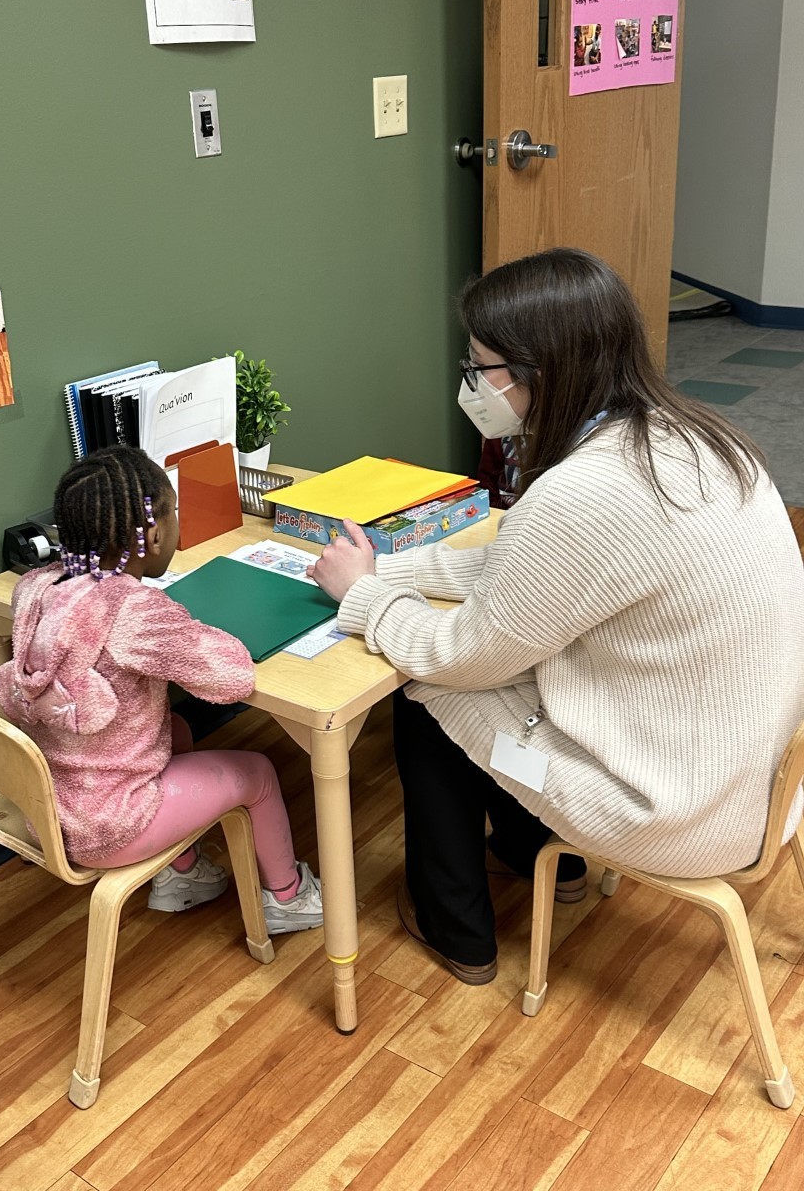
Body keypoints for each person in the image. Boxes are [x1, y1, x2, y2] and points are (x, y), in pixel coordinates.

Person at [307, 247, 804, 985]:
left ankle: (459, 931)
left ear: (541, 372)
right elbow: (530, 571)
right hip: (755, 781)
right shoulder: (694, 436)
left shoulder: (583, 494)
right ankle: (539, 859)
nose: (471, 385)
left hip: (671, 812)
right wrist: (388, 569)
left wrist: (366, 601)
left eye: (481, 369)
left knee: (424, 699)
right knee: (519, 677)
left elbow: (459, 657)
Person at [0, 445, 323, 934]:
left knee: (177, 730)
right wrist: (192, 631)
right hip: (109, 823)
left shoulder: (36, 589)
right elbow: (232, 677)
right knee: (258, 772)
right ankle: (288, 899)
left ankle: (183, 875)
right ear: (151, 533)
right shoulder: (134, 611)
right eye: (173, 517)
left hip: (49, 800)